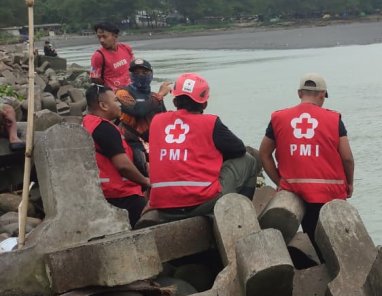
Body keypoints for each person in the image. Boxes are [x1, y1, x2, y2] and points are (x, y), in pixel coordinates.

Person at [146, 73, 260, 223]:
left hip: (163, 206)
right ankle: (242, 219)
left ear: (174, 101)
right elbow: (238, 149)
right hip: (197, 203)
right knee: (249, 160)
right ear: (204, 104)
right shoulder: (210, 122)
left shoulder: (156, 121)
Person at [259, 73, 355, 249]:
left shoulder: (278, 118)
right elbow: (347, 158)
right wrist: (349, 183)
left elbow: (264, 154)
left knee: (314, 240)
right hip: (330, 193)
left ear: (299, 93)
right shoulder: (334, 119)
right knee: (339, 245)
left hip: (296, 191)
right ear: (321, 94)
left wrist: (280, 181)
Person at [82, 85, 150, 226]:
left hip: (101, 191)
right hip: (122, 195)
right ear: (103, 105)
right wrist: (145, 181)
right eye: (116, 101)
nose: (120, 104)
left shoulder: (86, 123)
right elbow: (123, 165)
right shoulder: (105, 129)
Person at [116, 58, 171, 177]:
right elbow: (138, 110)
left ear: (151, 74)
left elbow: (164, 120)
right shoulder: (122, 93)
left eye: (144, 72)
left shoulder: (154, 97)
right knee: (144, 171)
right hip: (133, 143)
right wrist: (160, 94)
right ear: (131, 75)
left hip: (154, 143)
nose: (140, 75)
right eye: (136, 73)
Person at [90, 22, 134, 90]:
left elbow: (133, 67)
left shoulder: (126, 48)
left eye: (104, 37)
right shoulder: (98, 56)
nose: (101, 40)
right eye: (99, 37)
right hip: (114, 95)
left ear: (115, 36)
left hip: (131, 90)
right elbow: (94, 79)